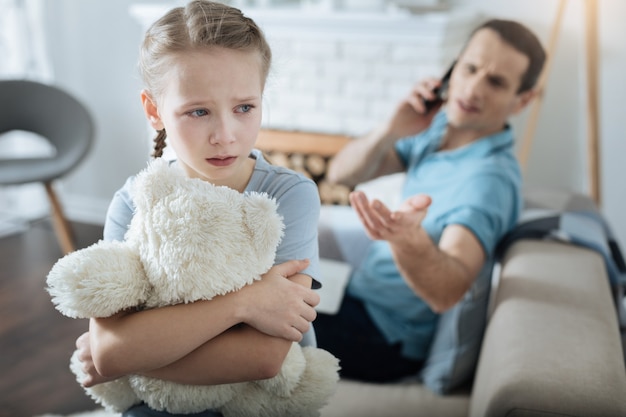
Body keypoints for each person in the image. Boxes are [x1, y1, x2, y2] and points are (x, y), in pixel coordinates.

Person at [72, 1, 322, 416]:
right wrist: (244, 305)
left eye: (245, 107)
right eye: (199, 111)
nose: (225, 135)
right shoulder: (132, 203)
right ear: (154, 110)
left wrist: (140, 354)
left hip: (263, 403)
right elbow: (111, 353)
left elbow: (263, 359)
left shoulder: (289, 196)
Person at [313, 19, 547, 382]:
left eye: (496, 82)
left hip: (386, 337)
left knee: (240, 322)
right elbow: (343, 174)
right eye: (469, 69)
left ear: (523, 100)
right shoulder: (439, 130)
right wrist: (390, 129)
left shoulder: (487, 180)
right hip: (356, 295)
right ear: (453, 67)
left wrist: (407, 240)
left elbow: (447, 291)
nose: (472, 89)